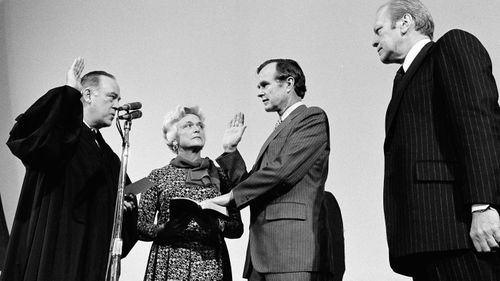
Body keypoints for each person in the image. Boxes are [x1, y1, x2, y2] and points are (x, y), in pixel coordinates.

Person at [372, 0, 500, 280]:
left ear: (405, 23)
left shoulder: (451, 47)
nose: (375, 41)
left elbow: (477, 125)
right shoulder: (403, 78)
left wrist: (483, 205)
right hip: (424, 240)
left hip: (457, 233)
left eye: (379, 30)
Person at [1, 58, 138, 281]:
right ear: (87, 95)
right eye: (112, 97)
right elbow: (25, 137)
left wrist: (125, 205)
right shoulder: (62, 136)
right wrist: (67, 94)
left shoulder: (108, 155)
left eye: (119, 99)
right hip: (59, 250)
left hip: (92, 256)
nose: (117, 106)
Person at [206, 59, 331, 281]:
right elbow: (253, 184)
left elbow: (281, 172)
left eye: (265, 85)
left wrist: (231, 197)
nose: (259, 92)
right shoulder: (282, 127)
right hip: (262, 256)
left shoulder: (311, 117)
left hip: (291, 254)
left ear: (289, 83)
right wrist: (230, 150)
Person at [137, 105, 243, 281]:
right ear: (174, 138)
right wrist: (163, 229)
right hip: (169, 262)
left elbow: (237, 226)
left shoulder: (219, 174)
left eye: (200, 126)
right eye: (188, 125)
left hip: (210, 265)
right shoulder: (157, 176)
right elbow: (140, 226)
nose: (196, 129)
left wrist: (218, 225)